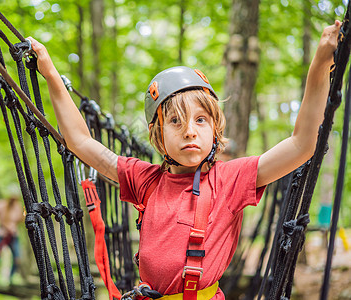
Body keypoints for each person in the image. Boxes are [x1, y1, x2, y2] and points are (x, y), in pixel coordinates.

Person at [25, 20, 341, 299]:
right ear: (159, 135)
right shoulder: (144, 179)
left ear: (215, 130)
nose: (189, 131)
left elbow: (302, 144)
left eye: (200, 120)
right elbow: (81, 141)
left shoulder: (231, 179)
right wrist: (50, 74)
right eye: (175, 121)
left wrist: (320, 64)